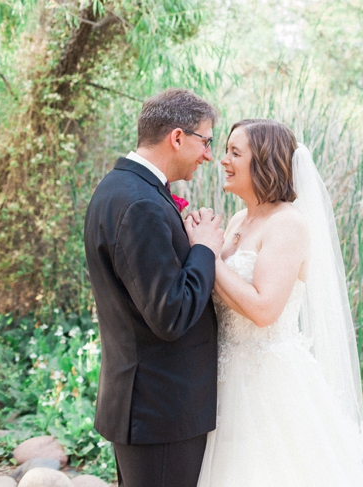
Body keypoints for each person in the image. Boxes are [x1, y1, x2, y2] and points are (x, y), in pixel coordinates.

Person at [194, 119, 363, 486]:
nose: (223, 160)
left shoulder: (288, 223)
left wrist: (206, 254)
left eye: (235, 152)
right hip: (225, 378)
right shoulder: (237, 220)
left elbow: (264, 310)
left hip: (269, 385)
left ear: (263, 161)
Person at [84, 89, 226, 487]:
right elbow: (171, 314)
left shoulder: (122, 189)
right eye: (206, 141)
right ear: (177, 137)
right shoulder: (141, 204)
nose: (209, 155)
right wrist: (204, 251)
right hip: (161, 410)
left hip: (150, 406)